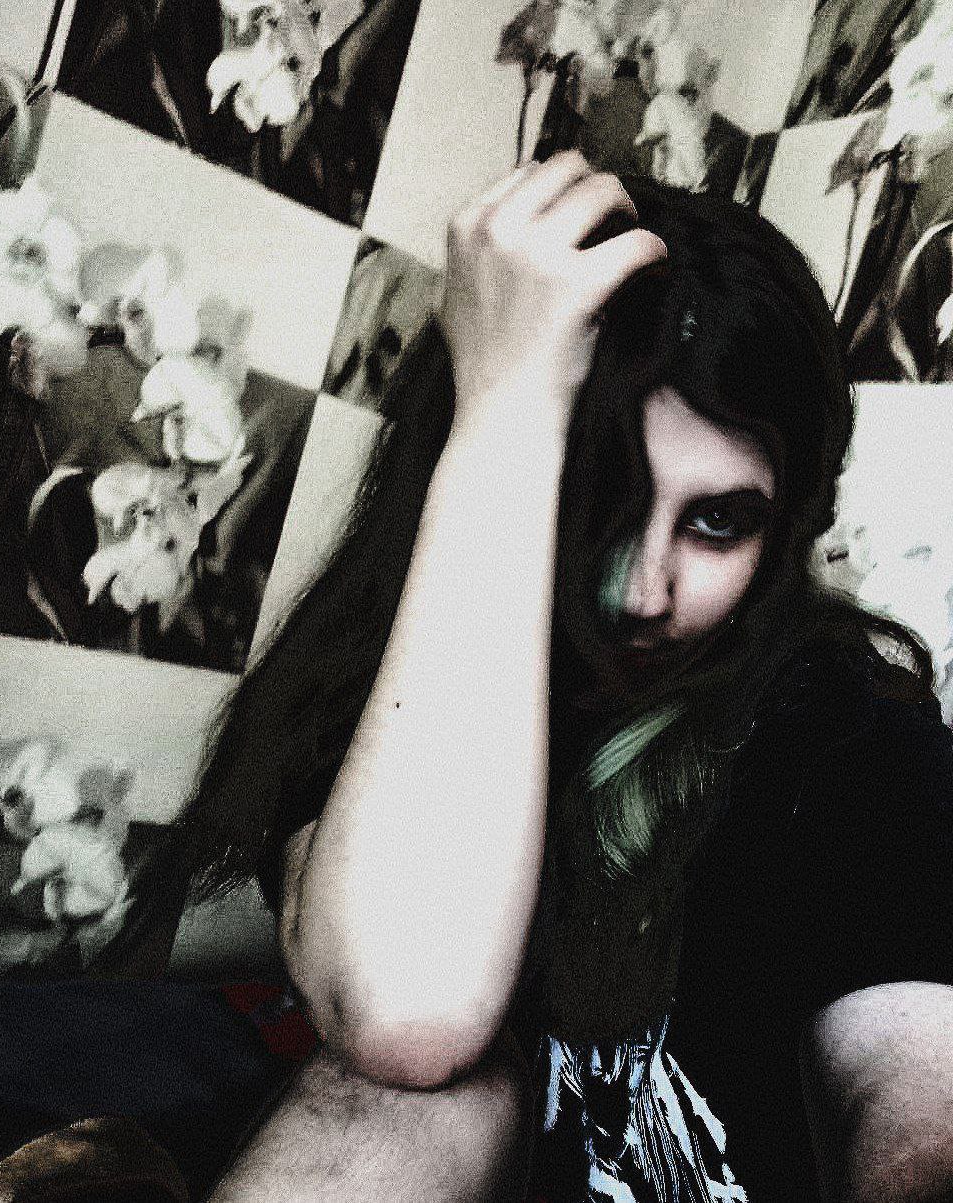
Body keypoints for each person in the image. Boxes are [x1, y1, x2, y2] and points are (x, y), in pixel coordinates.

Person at [179, 151, 953, 1202]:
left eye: (718, 521)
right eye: (602, 496)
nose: (642, 591)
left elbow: (918, 1090)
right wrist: (506, 403)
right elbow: (408, 1012)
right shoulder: (385, 713)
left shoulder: (842, 741)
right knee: (412, 1095)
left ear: (782, 539)